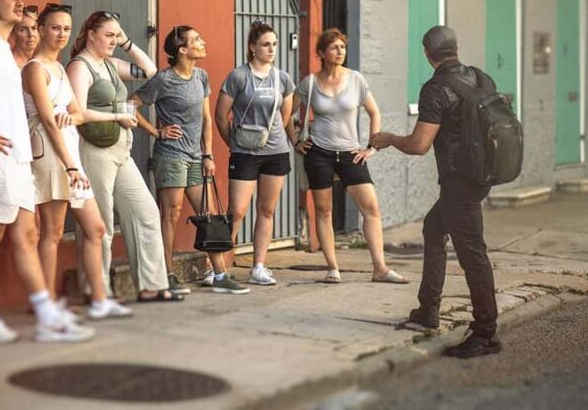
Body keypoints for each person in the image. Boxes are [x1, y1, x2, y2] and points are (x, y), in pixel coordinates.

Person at [0, 0, 94, 343]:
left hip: (14, 159)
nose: (17, 1)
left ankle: (46, 316)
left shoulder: (2, 47)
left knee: (27, 234)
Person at [370, 25, 502, 359]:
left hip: (459, 182)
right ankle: (427, 310)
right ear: (456, 48)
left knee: (473, 254)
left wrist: (388, 139)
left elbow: (418, 145)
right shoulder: (481, 78)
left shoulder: (436, 89)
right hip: (479, 175)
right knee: (433, 229)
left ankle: (486, 332)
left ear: (428, 54)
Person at [22, 3, 132, 319]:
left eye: (67, 29)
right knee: (53, 232)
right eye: (55, 27)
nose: (61, 34)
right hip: (51, 155)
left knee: (96, 228)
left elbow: (76, 113)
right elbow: (48, 119)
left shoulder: (59, 67)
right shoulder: (35, 69)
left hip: (69, 154)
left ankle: (99, 300)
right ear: (41, 29)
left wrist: (70, 116)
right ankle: (45, 302)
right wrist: (70, 164)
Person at [66, 11, 182, 303]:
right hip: (94, 150)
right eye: (109, 35)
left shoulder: (110, 64)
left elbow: (150, 69)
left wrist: (128, 41)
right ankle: (96, 290)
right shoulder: (80, 66)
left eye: (116, 36)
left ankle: (151, 285)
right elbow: (78, 112)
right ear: (91, 35)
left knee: (145, 212)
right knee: (100, 223)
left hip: (120, 149)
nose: (113, 41)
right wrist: (117, 115)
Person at [131, 26, 250, 295]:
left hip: (196, 158)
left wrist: (208, 154)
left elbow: (207, 119)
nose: (203, 42)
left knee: (208, 215)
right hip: (170, 155)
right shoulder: (164, 80)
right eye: (197, 40)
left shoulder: (201, 76)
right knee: (171, 215)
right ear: (182, 50)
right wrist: (155, 131)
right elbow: (131, 104)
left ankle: (220, 275)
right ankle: (167, 275)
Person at [292, 28, 408, 285]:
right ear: (322, 52)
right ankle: (332, 267)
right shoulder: (310, 82)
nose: (340, 52)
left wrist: (372, 147)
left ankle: (380, 268)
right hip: (319, 153)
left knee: (371, 208)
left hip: (350, 153)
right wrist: (295, 141)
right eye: (334, 47)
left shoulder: (356, 79)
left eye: (342, 47)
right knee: (323, 210)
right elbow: (285, 109)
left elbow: (375, 113)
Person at [214, 21, 295, 286]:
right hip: (244, 152)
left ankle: (259, 266)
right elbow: (220, 116)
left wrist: (271, 138)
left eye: (274, 44)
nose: (271, 48)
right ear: (252, 47)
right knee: (236, 211)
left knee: (267, 210)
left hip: (276, 151)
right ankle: (219, 268)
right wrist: (233, 143)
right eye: (265, 44)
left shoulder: (282, 78)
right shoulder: (238, 76)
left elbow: (285, 118)